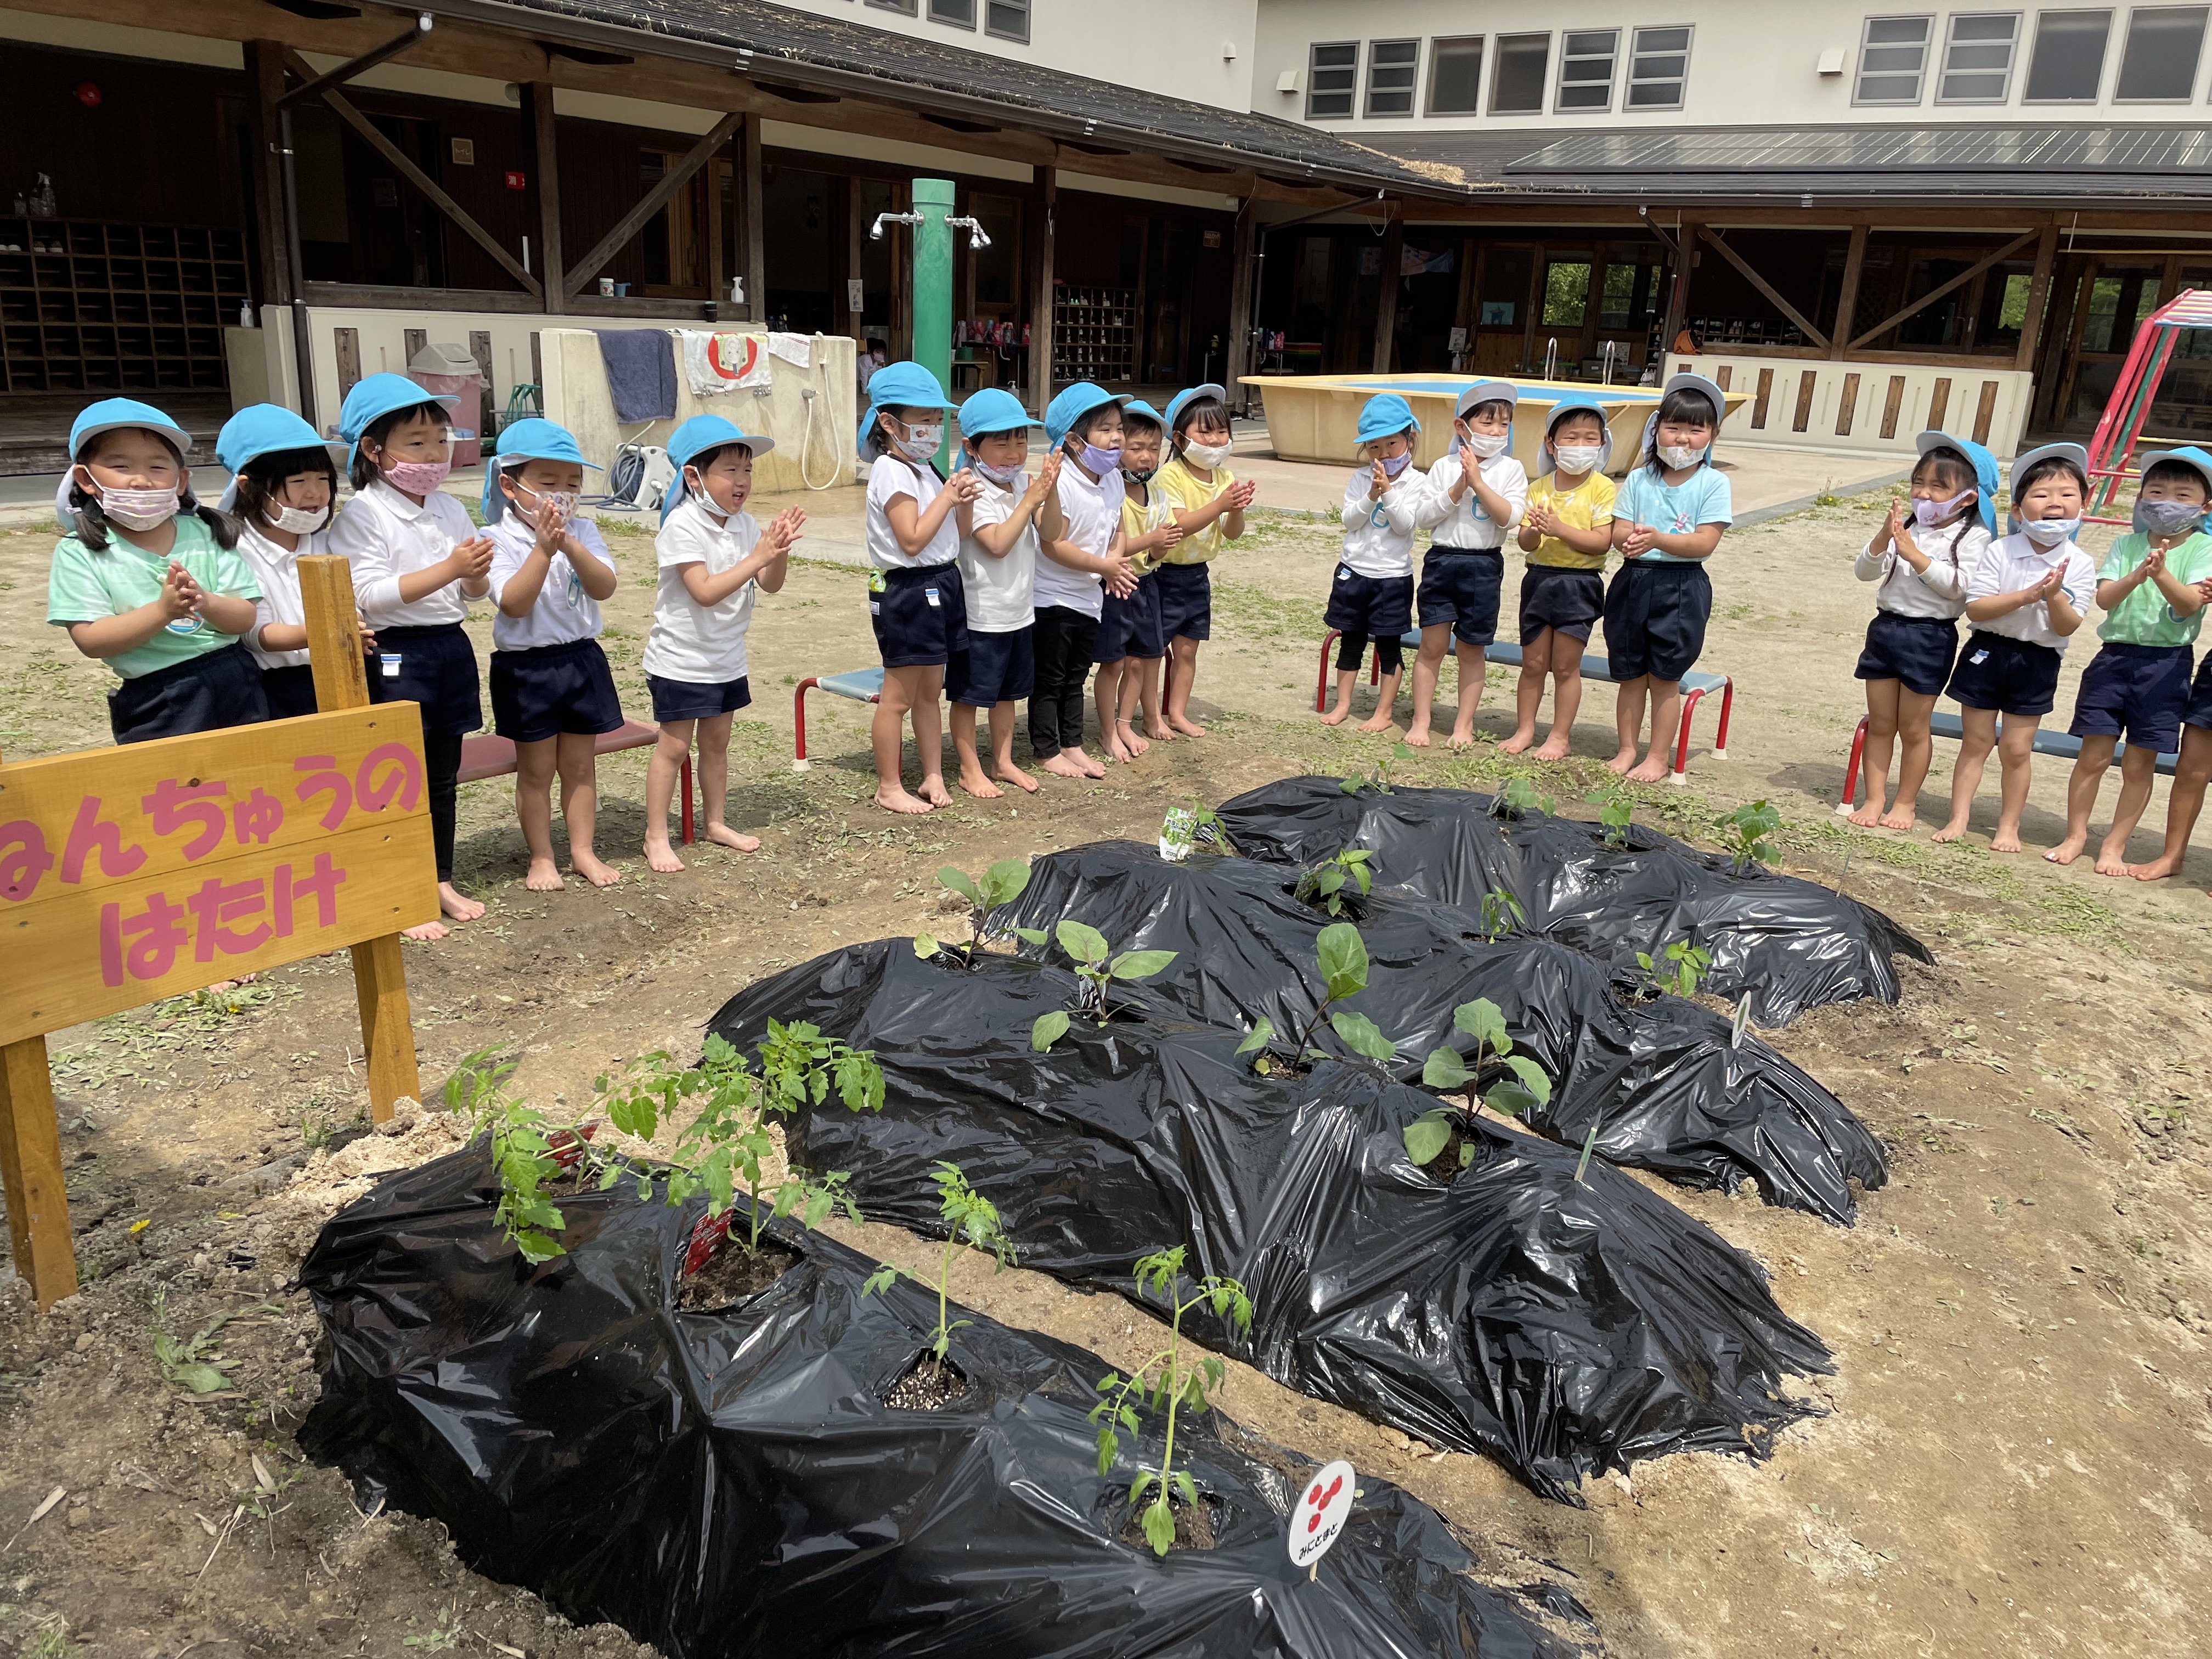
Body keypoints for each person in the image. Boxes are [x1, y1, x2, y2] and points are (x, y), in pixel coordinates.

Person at [329, 372, 492, 940]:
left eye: (441, 441)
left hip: (450, 646)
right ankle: (403, 888)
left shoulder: (448, 507)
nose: (434, 454)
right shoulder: (362, 515)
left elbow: (471, 593)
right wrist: (452, 569)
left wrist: (473, 577)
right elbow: (368, 595)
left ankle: (439, 877)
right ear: (374, 451)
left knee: (442, 774)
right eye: (417, 442)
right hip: (396, 653)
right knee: (399, 777)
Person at [49, 397, 266, 745]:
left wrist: (204, 601)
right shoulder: (80, 551)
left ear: (181, 481)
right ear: (85, 479)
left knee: (251, 780)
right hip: (156, 696)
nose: (140, 481)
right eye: (121, 467)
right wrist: (163, 611)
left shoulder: (207, 534)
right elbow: (91, 640)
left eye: (157, 467)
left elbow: (244, 617)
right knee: (172, 791)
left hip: (234, 677)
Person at [642, 414, 802, 870]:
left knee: (717, 744)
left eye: (747, 470)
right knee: (673, 748)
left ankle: (715, 822)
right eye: (730, 470)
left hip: (726, 657)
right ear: (694, 475)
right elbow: (705, 591)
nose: (742, 481)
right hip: (681, 659)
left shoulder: (745, 524)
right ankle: (655, 835)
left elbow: (770, 584)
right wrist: (758, 556)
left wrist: (779, 552)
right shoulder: (682, 526)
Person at [2049, 448, 2212, 872]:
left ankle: (2114, 846)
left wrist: (2161, 575)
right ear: (2140, 499)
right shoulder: (2126, 544)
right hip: (2114, 659)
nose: (2167, 503)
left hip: (2168, 664)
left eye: (2182, 496)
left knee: (2140, 763)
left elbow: (2192, 604)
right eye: (2156, 492)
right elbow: (2104, 598)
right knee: (2094, 756)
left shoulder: (2203, 548)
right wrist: (2138, 573)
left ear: (2205, 506)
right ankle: (2076, 835)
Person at [1932, 442, 2097, 853]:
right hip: (1988, 651)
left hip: (2038, 659)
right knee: (1976, 741)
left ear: (2083, 504)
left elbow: (2069, 624)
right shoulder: (2000, 549)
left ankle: (2009, 826)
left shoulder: (2080, 562)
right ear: (2019, 510)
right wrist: (2026, 596)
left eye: (2066, 495)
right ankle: (1959, 817)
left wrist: (2055, 595)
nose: (2054, 504)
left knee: (2017, 749)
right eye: (2041, 495)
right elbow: (1978, 609)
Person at [482, 418, 624, 891]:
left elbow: (604, 586)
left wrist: (570, 545)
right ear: (510, 484)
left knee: (582, 766)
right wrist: (544, 550)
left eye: (573, 484)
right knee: (537, 769)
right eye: (549, 483)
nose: (563, 494)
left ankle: (583, 850)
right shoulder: (496, 539)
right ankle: (542, 856)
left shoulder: (583, 529)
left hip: (581, 660)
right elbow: (514, 602)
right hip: (526, 668)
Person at [1846, 431, 1996, 830]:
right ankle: (1874, 798)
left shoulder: (1974, 535)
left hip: (1931, 636)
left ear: (1967, 498)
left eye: (1937, 487)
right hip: (1886, 629)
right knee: (1881, 722)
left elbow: (1961, 588)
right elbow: (1864, 572)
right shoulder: (1904, 525)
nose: (1924, 495)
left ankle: (1905, 802)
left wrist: (1915, 554)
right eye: (1919, 483)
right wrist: (1884, 537)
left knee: (1913, 727)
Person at [1604, 372, 1731, 782]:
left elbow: (1705, 543)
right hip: (1634, 581)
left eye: (1695, 430)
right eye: (1673, 428)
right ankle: (1627, 749)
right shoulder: (1640, 479)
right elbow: (1618, 531)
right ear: (1656, 429)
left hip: (1682, 587)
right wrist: (1633, 540)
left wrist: (1658, 537)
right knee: (1629, 674)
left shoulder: (1714, 483)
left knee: (1664, 677)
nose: (1682, 439)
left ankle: (1657, 756)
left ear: (1712, 434)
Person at [861, 362, 973, 814]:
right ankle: (889, 785)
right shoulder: (891, 471)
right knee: (898, 696)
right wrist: (948, 498)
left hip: (942, 582)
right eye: (923, 419)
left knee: (931, 690)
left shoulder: (928, 469)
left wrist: (961, 497)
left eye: (937, 419)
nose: (933, 428)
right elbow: (910, 539)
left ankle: (932, 774)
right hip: (907, 589)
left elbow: (957, 534)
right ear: (889, 423)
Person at [215, 403, 361, 720]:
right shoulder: (235, 549)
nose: (315, 493)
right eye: (297, 482)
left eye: (323, 479)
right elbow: (257, 633)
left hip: (342, 672)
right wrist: (327, 633)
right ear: (248, 485)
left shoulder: (324, 541)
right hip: (276, 688)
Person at [1409, 380, 1526, 748]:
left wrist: (1478, 481)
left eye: (1503, 425)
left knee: (1471, 649)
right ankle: (1421, 720)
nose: (1496, 432)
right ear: (1463, 427)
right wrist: (1459, 487)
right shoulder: (1443, 468)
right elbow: (1424, 518)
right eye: (1487, 423)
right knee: (1432, 645)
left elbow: (1511, 518)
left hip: (1484, 566)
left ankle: (1464, 724)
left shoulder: (1512, 470)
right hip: (1443, 561)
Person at [951, 387, 1055, 798]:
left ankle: (1003, 760)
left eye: (1020, 440)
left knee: (1009, 693)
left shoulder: (1020, 486)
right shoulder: (970, 487)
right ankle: (968, 767)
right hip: (982, 615)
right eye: (1001, 441)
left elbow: (1050, 534)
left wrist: (1051, 490)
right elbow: (995, 543)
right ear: (972, 448)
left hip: (1019, 611)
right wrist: (1030, 500)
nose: (1014, 452)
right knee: (971, 696)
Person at [1032, 381, 1138, 780]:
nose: (1116, 438)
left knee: (1076, 677)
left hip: (1088, 598)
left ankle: (1071, 743)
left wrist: (1114, 560)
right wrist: (1105, 566)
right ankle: (1046, 750)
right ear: (1076, 441)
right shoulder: (1059, 482)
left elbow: (1119, 526)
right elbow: (1052, 544)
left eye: (1119, 429)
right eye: (1105, 430)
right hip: (1052, 599)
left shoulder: (1111, 478)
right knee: (1051, 678)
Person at [1505, 393, 1616, 759]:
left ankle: (1559, 737)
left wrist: (1558, 527)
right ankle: (1524, 730)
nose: (1580, 445)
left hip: (1579, 585)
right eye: (1570, 437)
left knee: (1566, 666)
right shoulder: (1539, 488)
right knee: (1534, 663)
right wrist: (1537, 530)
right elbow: (1525, 541)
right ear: (1551, 444)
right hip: (1539, 580)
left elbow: (1601, 543)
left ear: (1602, 443)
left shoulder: (1602, 487)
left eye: (1590, 438)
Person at [1152, 383, 1255, 736]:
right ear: (1180, 439)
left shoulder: (1224, 478)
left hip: (1198, 575)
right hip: (1163, 574)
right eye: (1205, 431)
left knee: (1187, 648)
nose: (1215, 439)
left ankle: (1177, 713)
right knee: (1151, 651)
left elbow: (1232, 532)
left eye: (1222, 430)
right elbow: (1178, 525)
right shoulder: (1169, 476)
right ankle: (1151, 715)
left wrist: (1236, 509)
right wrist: (1220, 505)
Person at [1322, 393, 1425, 732]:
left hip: (1392, 577)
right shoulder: (1360, 478)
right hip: (1354, 571)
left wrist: (1389, 493)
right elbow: (1349, 521)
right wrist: (1371, 496)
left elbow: (1405, 525)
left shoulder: (1417, 482)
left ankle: (1384, 712)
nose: (1383, 454)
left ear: (1409, 439)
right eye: (1374, 447)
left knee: (1388, 645)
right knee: (1351, 640)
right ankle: (1344, 706)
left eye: (1392, 443)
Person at [1095, 398, 1184, 761]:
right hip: (1116, 584)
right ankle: (1106, 729)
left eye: (1153, 448)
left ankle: (1125, 722)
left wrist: (1160, 547)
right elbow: (1108, 545)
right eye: (1136, 448)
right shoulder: (1109, 491)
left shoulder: (1158, 493)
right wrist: (1151, 541)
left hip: (1148, 585)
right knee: (1114, 662)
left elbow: (1157, 549)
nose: (1146, 457)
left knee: (1145, 657)